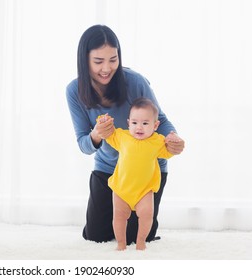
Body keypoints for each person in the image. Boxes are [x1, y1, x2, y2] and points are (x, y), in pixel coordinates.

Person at [65, 24, 185, 245]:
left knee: (135, 237)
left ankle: (143, 223)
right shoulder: (74, 91)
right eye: (98, 61)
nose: (107, 68)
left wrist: (173, 138)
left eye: (113, 59)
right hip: (109, 170)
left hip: (145, 170)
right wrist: (97, 135)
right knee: (96, 236)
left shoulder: (135, 82)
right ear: (85, 61)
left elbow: (163, 121)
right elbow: (83, 143)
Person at [97, 98, 177, 250]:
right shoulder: (122, 137)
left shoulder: (157, 141)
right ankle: (121, 243)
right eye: (134, 123)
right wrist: (103, 121)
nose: (139, 127)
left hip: (144, 190)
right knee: (119, 217)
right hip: (121, 188)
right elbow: (108, 134)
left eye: (145, 123)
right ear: (128, 123)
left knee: (147, 216)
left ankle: (141, 242)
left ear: (155, 125)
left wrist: (172, 140)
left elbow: (168, 152)